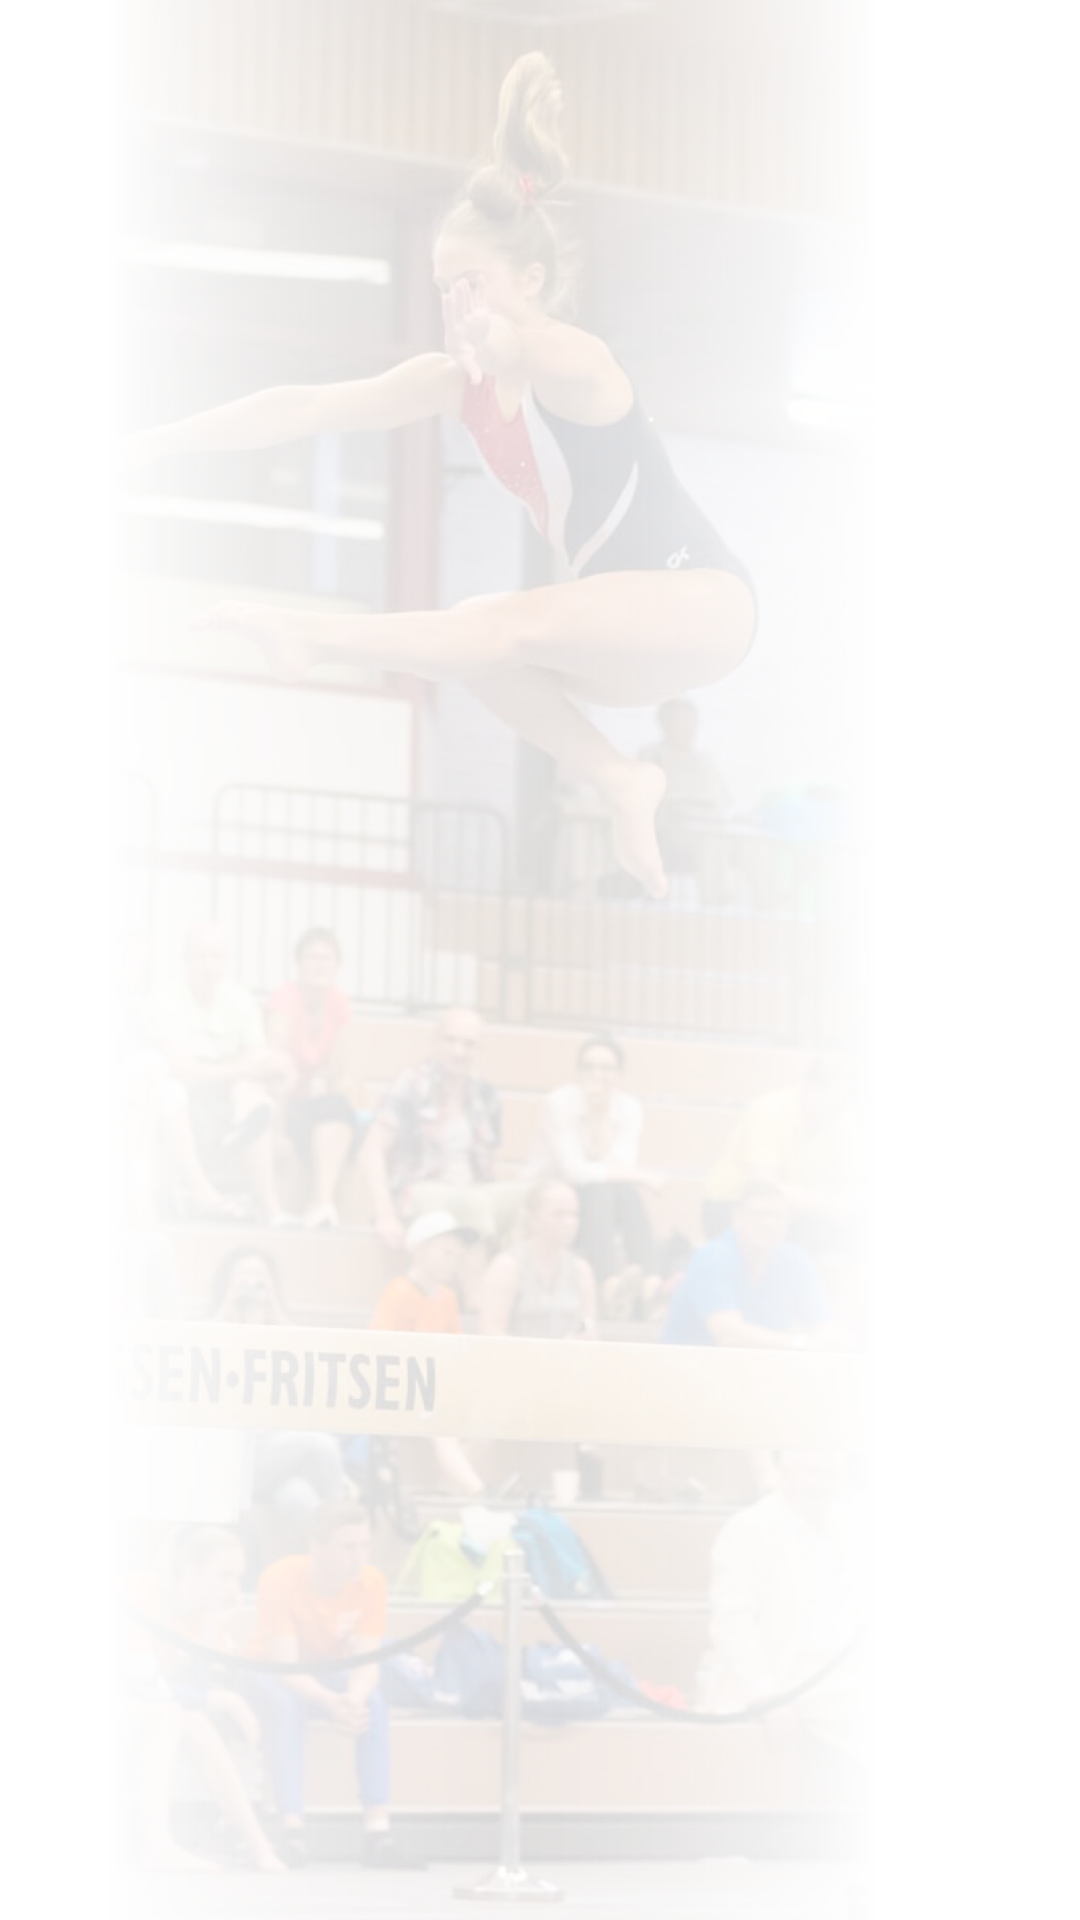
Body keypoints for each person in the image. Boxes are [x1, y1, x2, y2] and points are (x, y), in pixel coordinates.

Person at [110, 50, 758, 904]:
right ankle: (618, 778)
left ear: (531, 280)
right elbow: (300, 406)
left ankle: (308, 632)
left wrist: (496, 341)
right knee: (476, 653)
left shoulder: (581, 361)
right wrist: (154, 440)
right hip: (626, 631)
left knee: (485, 623)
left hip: (702, 602)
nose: (456, 302)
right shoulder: (454, 383)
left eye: (474, 285)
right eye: (444, 286)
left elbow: (523, 347)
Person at [238, 1498, 426, 1871]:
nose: (359, 1558)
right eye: (348, 1547)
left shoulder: (371, 1582)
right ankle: (293, 1831)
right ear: (317, 1548)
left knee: (372, 1700)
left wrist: (351, 1701)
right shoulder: (280, 1579)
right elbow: (286, 1668)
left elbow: (367, 1663)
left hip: (325, 1671)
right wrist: (329, 1701)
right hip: (267, 1671)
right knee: (286, 1705)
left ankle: (377, 1832)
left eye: (364, 1546)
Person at [660, 1180, 858, 1496]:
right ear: (737, 1217)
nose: (770, 1222)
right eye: (761, 1214)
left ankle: (835, 1476)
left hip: (761, 1368)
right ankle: (770, 1482)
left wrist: (840, 1339)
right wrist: (803, 1344)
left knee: (835, 1369)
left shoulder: (796, 1260)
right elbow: (729, 1334)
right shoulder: (712, 1257)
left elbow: (824, 1325)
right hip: (692, 1370)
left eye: (779, 1216)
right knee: (750, 1369)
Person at [110, 1522, 287, 1873]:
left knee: (190, 1719)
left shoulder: (200, 1617)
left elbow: (194, 1693)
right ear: (192, 1570)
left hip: (120, 1714)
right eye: (225, 1576)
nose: (234, 1590)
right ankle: (157, 1844)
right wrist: (231, 1702)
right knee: (167, 1713)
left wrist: (208, 1631)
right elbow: (152, 1688)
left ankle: (257, 1841)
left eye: (239, 1577)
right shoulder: (131, 1593)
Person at [696, 1451, 873, 1772]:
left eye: (832, 1476)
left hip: (855, 1661)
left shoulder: (848, 1524)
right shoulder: (748, 1528)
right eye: (812, 1473)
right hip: (788, 1667)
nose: (822, 1484)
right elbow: (732, 1624)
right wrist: (765, 1696)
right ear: (784, 1472)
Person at [361, 1006, 530, 1307]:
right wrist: (384, 1214)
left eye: (468, 1044)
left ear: (480, 1049)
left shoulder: (487, 1095)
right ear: (435, 1042)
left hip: (472, 1187)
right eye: (451, 1040)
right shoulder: (412, 1083)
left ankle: (514, 1290)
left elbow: (486, 1165)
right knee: (473, 1202)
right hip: (420, 1188)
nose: (458, 1051)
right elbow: (372, 1148)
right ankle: (477, 1300)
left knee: (538, 1196)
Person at [142, 920, 301, 1227]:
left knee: (262, 1073)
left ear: (226, 958)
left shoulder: (238, 997)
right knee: (177, 1086)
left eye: (215, 956)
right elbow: (184, 1071)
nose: (208, 965)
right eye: (200, 956)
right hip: (183, 1101)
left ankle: (272, 1210)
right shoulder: (165, 999)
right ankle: (205, 1190)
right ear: (184, 957)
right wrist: (243, 1066)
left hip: (228, 1094)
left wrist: (280, 1067)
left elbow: (258, 1059)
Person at [523, 1029, 665, 1318]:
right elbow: (573, 1170)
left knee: (623, 1191)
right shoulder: (558, 1103)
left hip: (600, 1200)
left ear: (620, 1076)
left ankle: (650, 1285)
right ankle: (609, 1285)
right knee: (602, 1190)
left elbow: (621, 1169)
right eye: (588, 1067)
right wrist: (642, 1176)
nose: (596, 1075)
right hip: (550, 1190)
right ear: (577, 1073)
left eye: (605, 1068)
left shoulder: (630, 1109)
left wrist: (600, 1122)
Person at [206, 1246, 343, 1542]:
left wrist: (276, 1314)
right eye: (244, 1276)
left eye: (260, 1277)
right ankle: (347, 1534)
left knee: (298, 1497)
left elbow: (319, 1367)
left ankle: (337, 1563)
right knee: (319, 1446)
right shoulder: (213, 1329)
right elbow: (191, 1351)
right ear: (227, 1282)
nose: (252, 1284)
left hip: (276, 1448)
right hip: (228, 1452)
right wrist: (227, 1309)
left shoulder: (284, 1335)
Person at [111, 929, 247, 1220]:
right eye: (129, 953)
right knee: (154, 1060)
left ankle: (195, 1186)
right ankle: (142, 1166)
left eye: (144, 960)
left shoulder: (132, 1022)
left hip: (119, 1097)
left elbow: (129, 1069)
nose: (136, 964)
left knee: (170, 1088)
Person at [701, 1055, 873, 1265]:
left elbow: (852, 1185)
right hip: (732, 1206)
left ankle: (865, 1296)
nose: (838, 1115)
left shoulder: (845, 1120)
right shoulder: (768, 1110)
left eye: (845, 1107)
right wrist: (832, 1204)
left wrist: (858, 1205)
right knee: (767, 1228)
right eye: (833, 1105)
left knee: (867, 1233)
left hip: (792, 1214)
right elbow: (764, 1188)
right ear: (809, 1086)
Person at [369, 1210, 492, 1498]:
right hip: (402, 1384)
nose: (453, 1261)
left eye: (457, 1256)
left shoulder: (447, 1298)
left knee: (484, 1422)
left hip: (436, 1383)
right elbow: (379, 1343)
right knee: (444, 1428)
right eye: (446, 1252)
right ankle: (478, 1490)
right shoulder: (398, 1292)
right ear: (420, 1250)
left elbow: (455, 1348)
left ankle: (449, 1487)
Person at [636, 697, 784, 909]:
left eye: (693, 723)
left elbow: (723, 799)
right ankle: (717, 903)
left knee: (752, 840)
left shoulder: (704, 760)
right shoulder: (651, 756)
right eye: (683, 723)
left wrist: (732, 816)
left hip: (710, 821)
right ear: (665, 725)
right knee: (713, 838)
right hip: (675, 830)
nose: (691, 730)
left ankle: (773, 905)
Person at [263, 925, 365, 1230]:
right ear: (299, 964)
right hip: (277, 1099)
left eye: (328, 958)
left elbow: (338, 1075)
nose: (320, 964)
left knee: (337, 1107)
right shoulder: (284, 997)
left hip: (307, 1100)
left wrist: (349, 1123)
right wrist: (276, 1133)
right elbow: (274, 1067)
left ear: (337, 966)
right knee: (286, 1085)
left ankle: (322, 1203)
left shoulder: (340, 1003)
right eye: (312, 957)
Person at [479, 1178, 599, 1341]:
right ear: (533, 1220)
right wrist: (541, 1351)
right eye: (559, 1214)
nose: (569, 1222)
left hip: (567, 1362)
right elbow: (489, 1331)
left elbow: (589, 1327)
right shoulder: (507, 1266)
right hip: (517, 1362)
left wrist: (584, 1335)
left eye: (574, 1214)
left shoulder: (581, 1269)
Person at [110, 1072, 184, 1319]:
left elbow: (145, 1225)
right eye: (113, 1106)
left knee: (158, 1243)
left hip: (121, 1246)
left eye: (130, 1105)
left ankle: (174, 1336)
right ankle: (132, 1336)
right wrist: (116, 1157)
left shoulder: (133, 1158)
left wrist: (127, 1154)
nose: (124, 1112)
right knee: (130, 1243)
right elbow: (116, 1224)